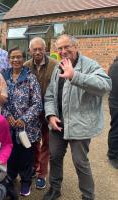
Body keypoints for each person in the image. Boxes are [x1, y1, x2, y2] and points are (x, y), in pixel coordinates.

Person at [43, 34, 112, 200]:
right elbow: (50, 95)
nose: (63, 51)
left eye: (67, 47)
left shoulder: (89, 65)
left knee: (80, 162)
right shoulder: (57, 67)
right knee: (55, 157)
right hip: (58, 123)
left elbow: (105, 86)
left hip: (80, 125)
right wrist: (51, 115)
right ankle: (55, 188)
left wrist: (75, 76)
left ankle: (88, 196)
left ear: (76, 46)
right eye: (60, 48)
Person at [1, 47, 42, 198]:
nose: (16, 60)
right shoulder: (4, 76)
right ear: (9, 59)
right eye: (13, 57)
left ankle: (25, 181)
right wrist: (8, 116)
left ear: (23, 58)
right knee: (10, 154)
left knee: (26, 155)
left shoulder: (30, 77)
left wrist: (23, 119)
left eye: (19, 57)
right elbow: (1, 101)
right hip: (9, 125)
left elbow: (38, 103)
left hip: (27, 128)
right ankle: (10, 177)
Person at [24, 37, 58, 189]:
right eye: (34, 49)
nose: (37, 52)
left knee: (47, 143)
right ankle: (33, 166)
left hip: (49, 112)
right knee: (33, 143)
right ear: (30, 50)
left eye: (40, 49)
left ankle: (42, 174)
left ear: (45, 49)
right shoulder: (25, 66)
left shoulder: (55, 65)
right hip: (32, 113)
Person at [107, 56, 118, 169]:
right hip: (116, 104)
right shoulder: (115, 67)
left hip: (114, 102)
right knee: (116, 130)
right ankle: (112, 156)